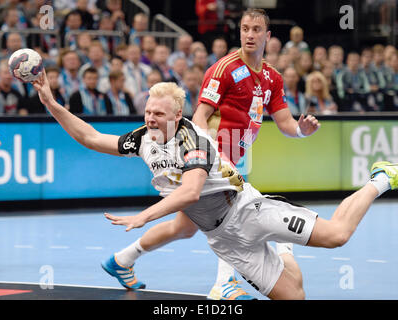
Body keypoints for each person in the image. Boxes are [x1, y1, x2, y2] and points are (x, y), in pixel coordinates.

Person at [33, 74, 398, 300]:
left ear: (177, 116)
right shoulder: (143, 138)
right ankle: (283, 247)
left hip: (248, 211)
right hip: (222, 238)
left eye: (158, 114)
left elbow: (190, 193)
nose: (149, 118)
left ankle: (380, 179)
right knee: (294, 294)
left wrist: (144, 215)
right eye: (147, 112)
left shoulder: (194, 140)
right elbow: (92, 136)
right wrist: (51, 104)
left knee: (337, 235)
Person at [97, 8, 320, 301]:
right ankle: (224, 283)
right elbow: (200, 116)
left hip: (235, 152)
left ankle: (121, 260)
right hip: (214, 156)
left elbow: (286, 124)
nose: (249, 35)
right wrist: (205, 158)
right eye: (244, 28)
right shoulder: (224, 68)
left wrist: (302, 130)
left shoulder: (272, 78)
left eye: (255, 30)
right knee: (232, 217)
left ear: (267, 36)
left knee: (184, 227)